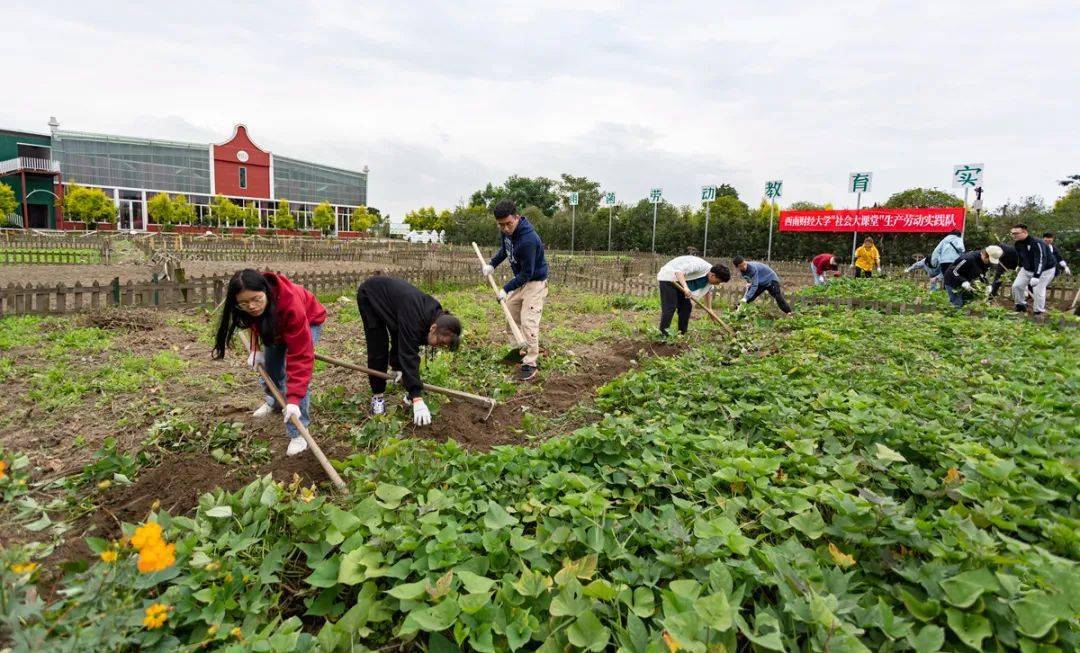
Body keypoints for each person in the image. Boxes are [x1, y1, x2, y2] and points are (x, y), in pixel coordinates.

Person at [212, 269, 327, 456]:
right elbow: (253, 323)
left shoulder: (290, 304)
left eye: (256, 299)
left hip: (308, 319)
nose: (252, 306)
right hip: (275, 325)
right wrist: (255, 348)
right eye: (244, 303)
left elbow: (300, 357)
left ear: (266, 291)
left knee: (293, 376)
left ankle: (299, 432)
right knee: (271, 369)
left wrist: (294, 399)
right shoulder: (248, 306)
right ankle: (274, 402)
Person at [357, 275, 462, 425]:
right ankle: (377, 395)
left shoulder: (437, 315)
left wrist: (400, 369)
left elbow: (405, 339)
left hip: (395, 303)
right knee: (378, 345)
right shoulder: (415, 317)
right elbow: (409, 353)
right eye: (440, 342)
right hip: (371, 295)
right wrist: (416, 396)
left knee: (400, 334)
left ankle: (396, 369)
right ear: (433, 328)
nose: (439, 346)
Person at [480, 199, 549, 381]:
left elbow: (527, 273)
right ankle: (520, 349)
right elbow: (505, 249)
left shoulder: (528, 240)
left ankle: (530, 362)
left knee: (528, 321)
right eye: (501, 225)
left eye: (508, 224)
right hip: (520, 281)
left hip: (534, 282)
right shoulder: (506, 231)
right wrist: (492, 264)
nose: (505, 229)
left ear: (517, 217)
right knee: (510, 314)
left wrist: (506, 288)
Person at [655, 256, 731, 336]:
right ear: (712, 275)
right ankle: (663, 334)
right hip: (669, 277)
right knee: (670, 307)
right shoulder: (699, 265)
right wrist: (685, 287)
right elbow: (678, 272)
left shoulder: (710, 281)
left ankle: (682, 334)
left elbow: (708, 292)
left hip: (682, 283)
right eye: (718, 281)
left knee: (687, 307)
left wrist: (710, 309)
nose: (718, 284)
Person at [1010, 224, 1056, 314]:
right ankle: (1021, 305)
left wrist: (1036, 275)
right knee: (1017, 286)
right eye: (1012, 233)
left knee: (1038, 290)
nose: (1014, 235)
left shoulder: (1037, 243)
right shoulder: (1018, 244)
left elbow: (1041, 260)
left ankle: (1038, 311)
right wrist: (1019, 266)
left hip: (1045, 270)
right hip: (1027, 269)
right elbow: (1021, 256)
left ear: (1025, 232)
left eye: (1016, 233)